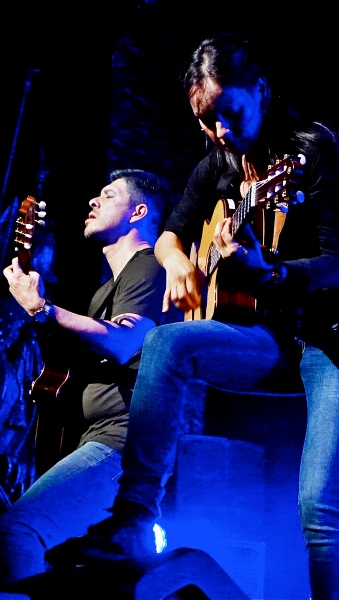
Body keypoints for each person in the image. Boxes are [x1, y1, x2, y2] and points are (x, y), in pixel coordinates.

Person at [44, 34, 339, 600]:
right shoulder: (220, 160)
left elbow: (338, 264)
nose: (221, 134)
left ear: (261, 91)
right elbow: (169, 233)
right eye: (207, 123)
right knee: (168, 344)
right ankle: (133, 521)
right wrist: (180, 261)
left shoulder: (312, 148)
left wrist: (267, 271)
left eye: (230, 115)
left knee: (321, 505)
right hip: (281, 333)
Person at [0, 168, 180, 587]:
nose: (93, 202)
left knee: (17, 532)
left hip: (121, 444)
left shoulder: (149, 266)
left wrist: (43, 309)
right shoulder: (106, 290)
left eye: (108, 195)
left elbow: (124, 342)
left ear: (138, 212)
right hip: (97, 440)